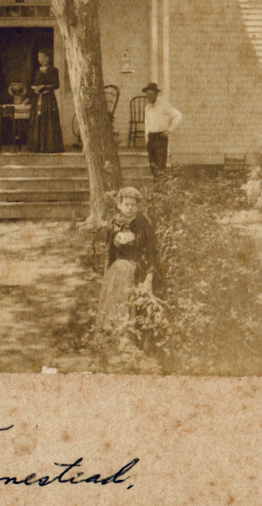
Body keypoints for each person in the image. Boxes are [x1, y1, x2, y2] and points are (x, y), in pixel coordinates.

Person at [97, 187, 158, 337]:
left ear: (138, 207)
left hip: (137, 269)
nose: (130, 208)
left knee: (133, 305)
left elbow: (151, 252)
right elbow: (109, 252)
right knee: (115, 304)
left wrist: (149, 276)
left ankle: (132, 338)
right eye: (126, 204)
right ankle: (115, 337)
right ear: (119, 205)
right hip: (116, 271)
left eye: (133, 205)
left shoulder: (144, 224)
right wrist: (106, 275)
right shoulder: (114, 223)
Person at [27, 48, 64, 153]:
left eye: (41, 56)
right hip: (37, 98)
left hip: (48, 99)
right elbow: (33, 83)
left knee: (48, 121)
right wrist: (35, 88)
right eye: (38, 57)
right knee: (37, 120)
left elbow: (56, 85)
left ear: (47, 58)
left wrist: (44, 86)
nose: (39, 59)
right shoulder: (37, 71)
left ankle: (49, 146)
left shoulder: (53, 70)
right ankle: (37, 146)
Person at [141, 82, 182, 177]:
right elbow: (147, 124)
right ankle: (156, 188)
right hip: (151, 138)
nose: (149, 96)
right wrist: (147, 139)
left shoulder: (164, 105)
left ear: (156, 94)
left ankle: (161, 189)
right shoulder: (147, 108)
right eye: (147, 94)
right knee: (153, 166)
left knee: (160, 165)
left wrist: (170, 130)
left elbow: (178, 116)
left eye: (151, 94)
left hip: (160, 137)